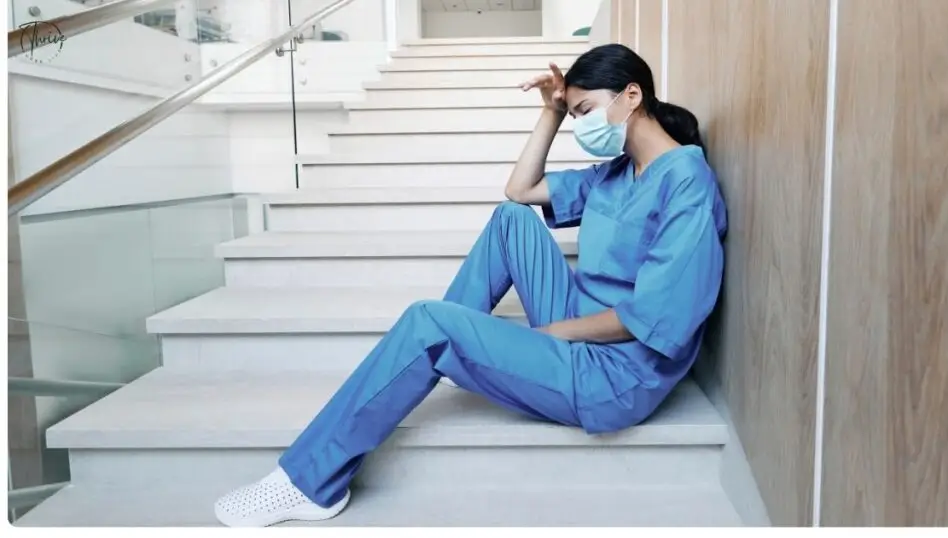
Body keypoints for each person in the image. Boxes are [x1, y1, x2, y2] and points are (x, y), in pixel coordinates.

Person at [212, 43, 727, 527]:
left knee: (427, 321)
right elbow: (520, 190)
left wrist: (551, 336)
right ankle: (451, 348)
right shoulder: (615, 174)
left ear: (632, 95)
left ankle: (309, 482)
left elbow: (661, 318)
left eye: (584, 111)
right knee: (512, 219)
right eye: (575, 117)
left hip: (617, 373)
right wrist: (550, 110)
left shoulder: (686, 181)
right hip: (579, 327)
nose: (581, 126)